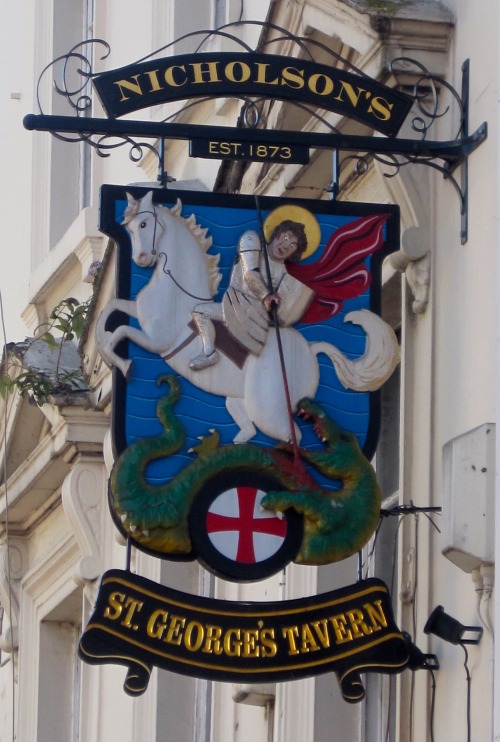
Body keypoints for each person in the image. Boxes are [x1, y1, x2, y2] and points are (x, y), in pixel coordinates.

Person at [189, 220, 313, 370]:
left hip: (247, 315)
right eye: (286, 238)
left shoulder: (284, 275)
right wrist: (267, 296)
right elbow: (250, 275)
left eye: (293, 245)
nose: (286, 246)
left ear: (295, 252)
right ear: (276, 234)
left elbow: (284, 312)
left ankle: (209, 353)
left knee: (201, 311)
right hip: (237, 305)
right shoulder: (252, 240)